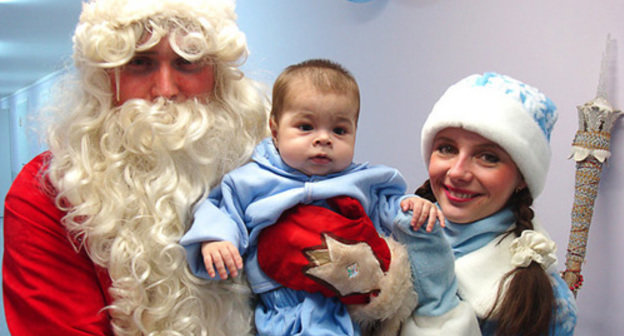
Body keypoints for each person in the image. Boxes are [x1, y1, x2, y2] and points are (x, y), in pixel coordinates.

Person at [2, 0, 268, 335]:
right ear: (103, 79)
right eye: (139, 63)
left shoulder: (264, 166)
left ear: (217, 76)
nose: (165, 91)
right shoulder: (46, 192)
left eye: (187, 62)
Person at [181, 59, 452, 335]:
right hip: (282, 303)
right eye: (306, 127)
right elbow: (220, 208)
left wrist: (412, 205)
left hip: (347, 303)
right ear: (275, 131)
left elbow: (391, 209)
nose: (324, 139)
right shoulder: (252, 179)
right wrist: (217, 238)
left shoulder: (364, 181)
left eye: (339, 130)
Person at [398, 72, 577, 335]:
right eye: (447, 148)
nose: (458, 172)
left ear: (522, 178)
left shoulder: (541, 299)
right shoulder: (391, 231)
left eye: (488, 157)